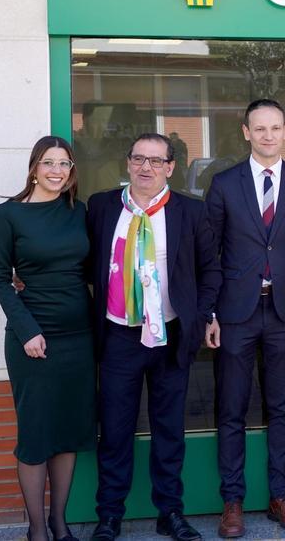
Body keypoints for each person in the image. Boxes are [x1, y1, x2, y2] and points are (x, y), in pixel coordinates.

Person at [87, 133, 221, 541]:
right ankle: (110, 515)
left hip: (170, 334)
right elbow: (78, 258)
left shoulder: (190, 212)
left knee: (168, 429)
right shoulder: (102, 207)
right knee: (114, 429)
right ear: (128, 163)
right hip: (118, 335)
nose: (146, 167)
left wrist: (204, 317)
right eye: (138, 159)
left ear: (170, 167)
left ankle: (170, 512)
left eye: (155, 161)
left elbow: (210, 271)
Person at [205, 99, 285, 537]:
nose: (268, 135)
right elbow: (208, 253)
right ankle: (232, 501)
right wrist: (210, 312)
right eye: (260, 128)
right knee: (231, 408)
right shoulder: (225, 184)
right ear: (246, 132)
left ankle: (279, 497)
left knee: (282, 406)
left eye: (275, 128)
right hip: (235, 313)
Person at [0, 136, 95, 541]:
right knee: (36, 434)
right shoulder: (9, 215)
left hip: (78, 338)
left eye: (64, 164)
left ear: (71, 171)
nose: (56, 171)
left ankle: (59, 522)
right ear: (34, 167)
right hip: (32, 339)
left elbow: (90, 270)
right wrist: (27, 329)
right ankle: (36, 529)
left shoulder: (77, 212)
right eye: (48, 163)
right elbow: (0, 279)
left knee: (68, 431)